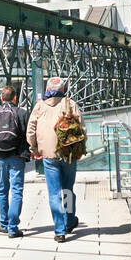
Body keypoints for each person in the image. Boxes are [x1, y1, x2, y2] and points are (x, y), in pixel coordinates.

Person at [27, 78, 86, 242]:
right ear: (63, 89)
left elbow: (30, 130)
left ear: (47, 89)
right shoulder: (70, 103)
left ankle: (59, 230)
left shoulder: (39, 106)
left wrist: (34, 148)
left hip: (48, 156)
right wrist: (80, 148)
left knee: (54, 193)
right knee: (67, 189)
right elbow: (82, 127)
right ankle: (69, 221)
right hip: (68, 154)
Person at [0, 85, 30, 238]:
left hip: (0, 157)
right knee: (16, 190)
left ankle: (3, 223)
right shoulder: (22, 113)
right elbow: (29, 134)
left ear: (2, 98)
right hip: (17, 156)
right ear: (15, 98)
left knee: (2, 189)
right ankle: (13, 227)